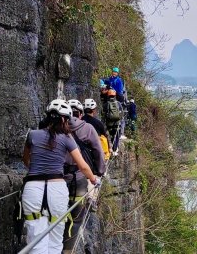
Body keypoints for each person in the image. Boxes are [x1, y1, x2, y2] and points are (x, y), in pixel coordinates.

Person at [21, 99, 99, 254]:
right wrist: (93, 179)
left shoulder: (32, 135)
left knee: (35, 237)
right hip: (57, 189)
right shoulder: (67, 138)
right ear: (64, 119)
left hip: (32, 189)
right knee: (56, 239)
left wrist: (37, 171)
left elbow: (26, 160)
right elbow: (83, 166)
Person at [63, 100, 106, 252]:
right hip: (80, 176)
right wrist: (100, 172)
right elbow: (98, 151)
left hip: (56, 176)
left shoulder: (55, 128)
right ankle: (67, 249)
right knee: (76, 217)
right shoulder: (87, 128)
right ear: (80, 114)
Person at [103, 89, 123, 154]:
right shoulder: (118, 103)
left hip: (109, 123)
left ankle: (111, 148)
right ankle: (115, 149)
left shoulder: (106, 104)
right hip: (117, 122)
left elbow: (103, 113)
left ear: (108, 95)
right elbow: (121, 112)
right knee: (116, 135)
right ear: (115, 95)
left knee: (111, 135)